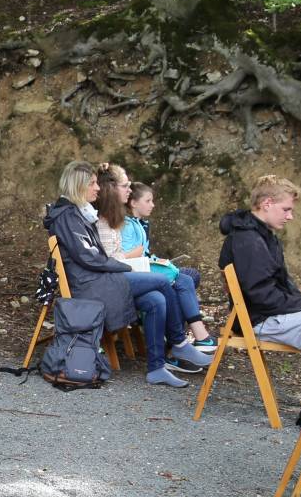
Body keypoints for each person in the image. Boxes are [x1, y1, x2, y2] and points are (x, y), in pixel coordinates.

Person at [44, 160, 210, 388]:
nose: (97, 188)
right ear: (78, 185)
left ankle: (157, 368)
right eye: (92, 183)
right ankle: (179, 343)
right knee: (163, 281)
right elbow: (89, 258)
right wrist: (126, 266)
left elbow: (93, 256)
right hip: (92, 284)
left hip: (101, 278)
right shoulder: (67, 216)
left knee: (155, 300)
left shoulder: (78, 213)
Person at [93, 164, 212, 370]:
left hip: (121, 274)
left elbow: (115, 256)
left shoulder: (115, 219)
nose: (129, 189)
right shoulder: (105, 221)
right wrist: (144, 261)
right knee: (171, 280)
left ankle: (158, 365)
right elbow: (109, 262)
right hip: (111, 280)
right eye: (125, 185)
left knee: (160, 295)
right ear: (111, 189)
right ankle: (180, 342)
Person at [216, 175, 301, 350]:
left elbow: (281, 285)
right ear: (267, 204)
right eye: (286, 209)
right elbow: (261, 295)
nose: (290, 216)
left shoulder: (262, 236)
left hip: (262, 314)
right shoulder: (248, 240)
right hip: (255, 319)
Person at [122, 180, 215, 350]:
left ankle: (177, 340)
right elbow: (128, 258)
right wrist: (148, 256)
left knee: (189, 276)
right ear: (134, 203)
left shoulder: (140, 224)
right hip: (139, 276)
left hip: (146, 271)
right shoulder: (128, 225)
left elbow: (144, 255)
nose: (153, 205)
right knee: (185, 280)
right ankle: (185, 339)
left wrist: (157, 259)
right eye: (148, 201)